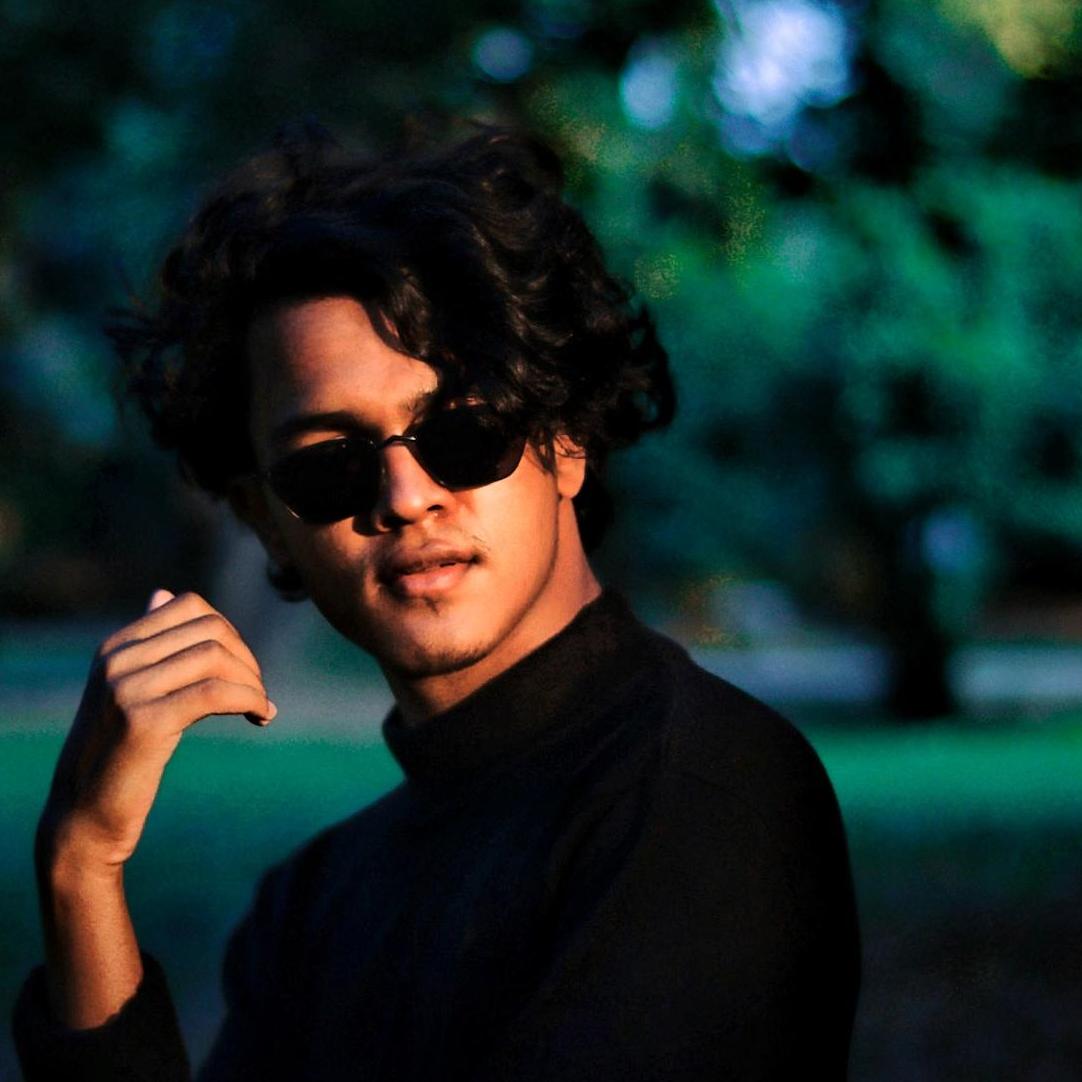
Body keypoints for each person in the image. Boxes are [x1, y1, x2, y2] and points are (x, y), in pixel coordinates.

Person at [12, 121, 860, 1080]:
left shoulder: (700, 796)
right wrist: (81, 864)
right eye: (329, 463)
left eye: (463, 432)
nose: (406, 495)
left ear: (567, 442)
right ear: (265, 519)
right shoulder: (313, 906)